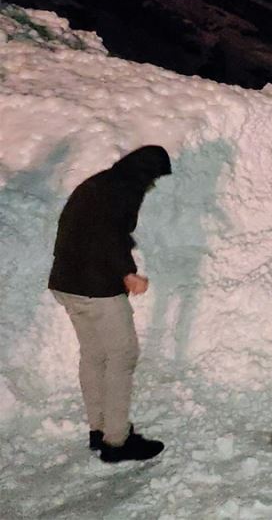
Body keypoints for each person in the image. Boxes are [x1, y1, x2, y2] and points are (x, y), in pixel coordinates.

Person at [48, 145, 171, 463]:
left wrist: (122, 252)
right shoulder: (124, 188)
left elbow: (97, 228)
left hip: (67, 284)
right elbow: (108, 234)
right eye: (153, 179)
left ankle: (98, 429)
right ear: (144, 174)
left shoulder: (100, 184)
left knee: (95, 356)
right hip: (96, 288)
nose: (152, 185)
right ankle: (116, 442)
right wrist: (127, 273)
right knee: (122, 356)